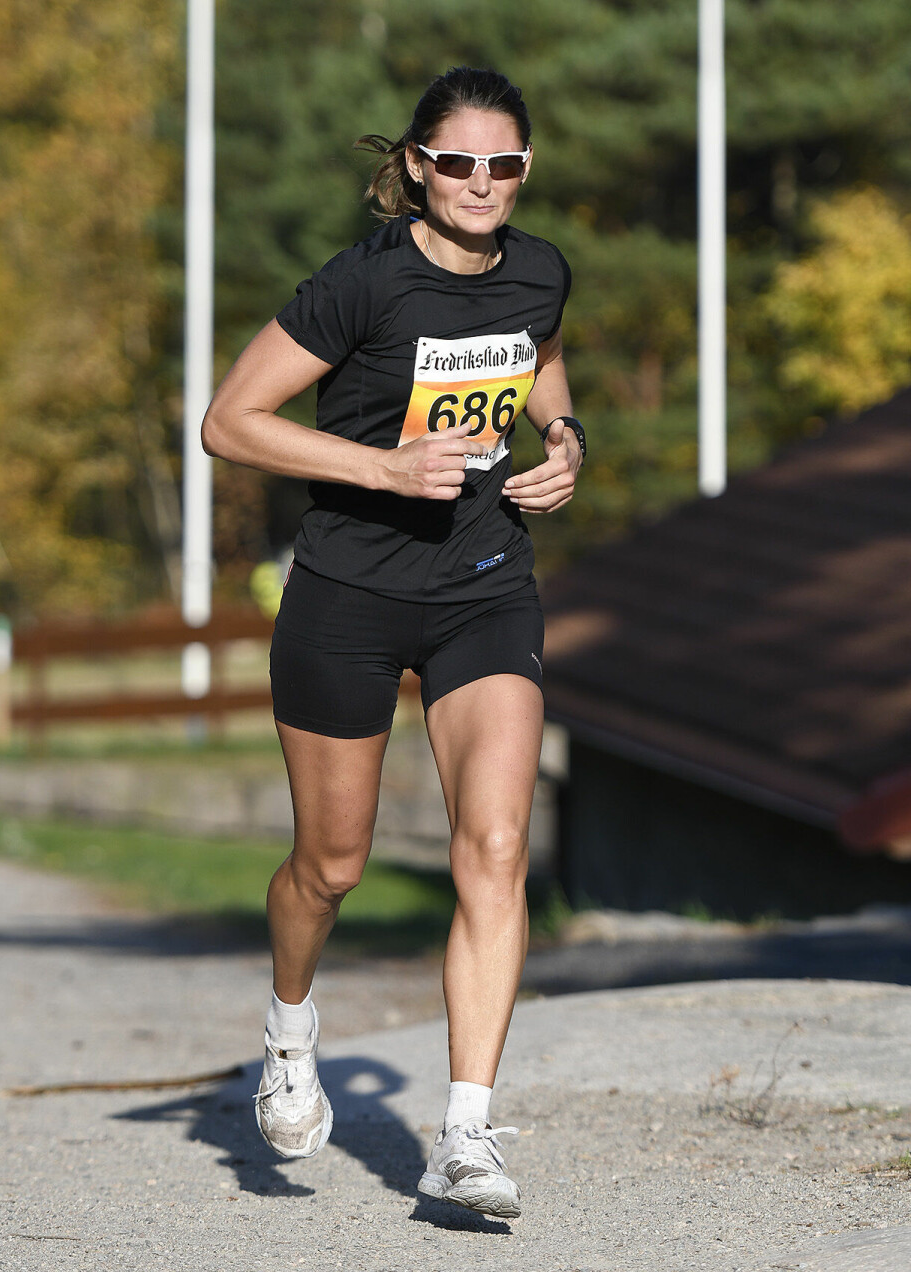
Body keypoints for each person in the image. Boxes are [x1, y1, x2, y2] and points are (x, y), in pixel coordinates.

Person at [202, 65, 584, 1219]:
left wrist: (562, 436)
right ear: (417, 168)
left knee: (499, 845)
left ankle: (465, 1138)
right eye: (457, 162)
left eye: (503, 164)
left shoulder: (539, 268)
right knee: (333, 866)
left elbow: (540, 354)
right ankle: (288, 1028)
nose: (481, 183)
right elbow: (229, 422)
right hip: (348, 595)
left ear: (524, 170)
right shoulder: (361, 286)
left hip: (482, 586)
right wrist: (381, 467)